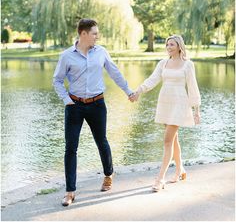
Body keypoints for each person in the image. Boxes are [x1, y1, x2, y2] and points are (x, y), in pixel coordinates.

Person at [53, 18, 134, 206]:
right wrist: (67, 101)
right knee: (70, 148)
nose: (97, 36)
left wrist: (128, 91)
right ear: (83, 34)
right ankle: (70, 191)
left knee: (101, 141)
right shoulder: (67, 56)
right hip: (74, 106)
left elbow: (115, 73)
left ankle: (108, 174)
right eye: (94, 33)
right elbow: (57, 80)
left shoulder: (101, 52)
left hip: (97, 104)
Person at [129, 35, 201, 192]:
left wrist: (196, 110)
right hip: (165, 103)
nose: (169, 47)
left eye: (172, 44)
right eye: (167, 44)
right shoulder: (163, 63)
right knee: (173, 139)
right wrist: (139, 91)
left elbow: (193, 87)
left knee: (167, 141)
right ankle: (180, 169)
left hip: (179, 104)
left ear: (179, 46)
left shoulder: (188, 65)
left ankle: (160, 178)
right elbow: (152, 79)